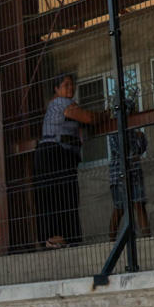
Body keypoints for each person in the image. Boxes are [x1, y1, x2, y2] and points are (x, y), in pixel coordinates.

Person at [34, 74, 98, 247]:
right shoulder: (60, 102)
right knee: (61, 197)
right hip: (54, 154)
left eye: (72, 84)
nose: (71, 88)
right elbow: (88, 118)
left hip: (56, 155)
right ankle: (58, 238)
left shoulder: (63, 105)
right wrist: (102, 116)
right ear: (56, 89)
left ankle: (60, 239)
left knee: (62, 197)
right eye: (66, 84)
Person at [106, 117, 150, 242]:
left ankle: (148, 239)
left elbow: (141, 149)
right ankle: (111, 240)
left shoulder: (135, 133)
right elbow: (123, 152)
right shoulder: (115, 131)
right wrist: (134, 153)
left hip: (135, 173)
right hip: (118, 174)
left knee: (139, 204)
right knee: (119, 208)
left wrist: (139, 139)